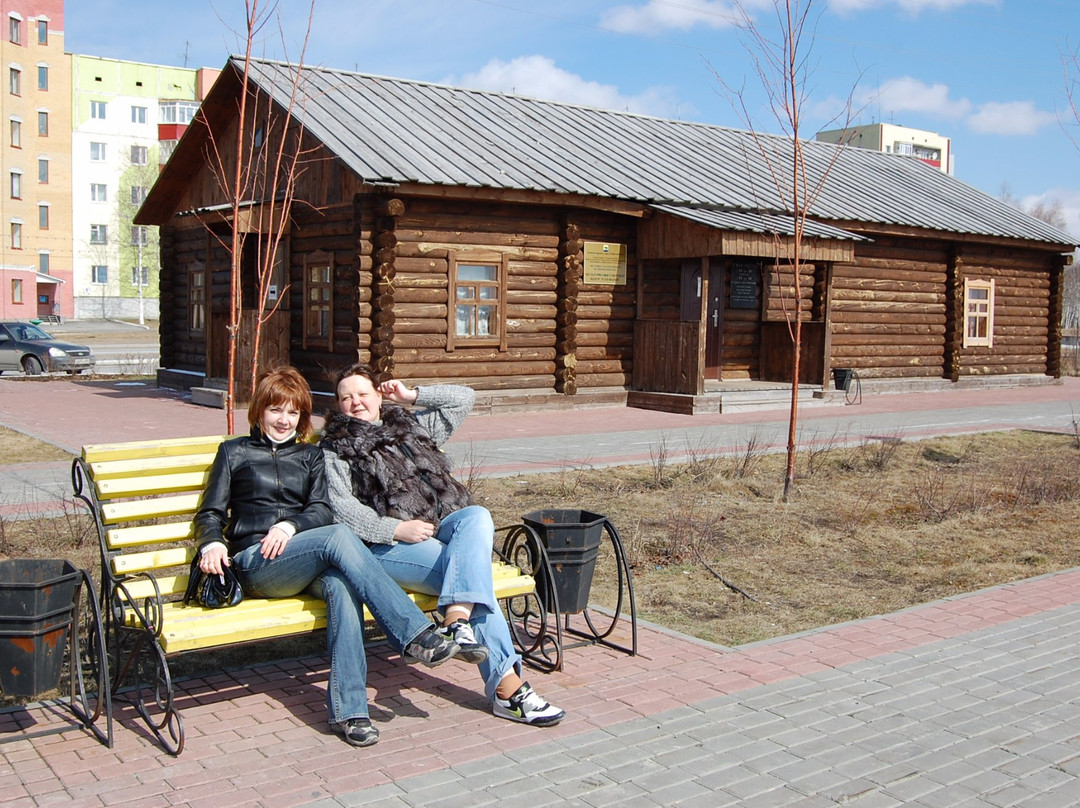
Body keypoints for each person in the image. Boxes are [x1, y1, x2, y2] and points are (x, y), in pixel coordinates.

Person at [193, 366, 463, 748]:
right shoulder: (234, 452)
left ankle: (349, 712)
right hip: (258, 562)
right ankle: (415, 634)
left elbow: (320, 510)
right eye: (275, 411)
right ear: (259, 412)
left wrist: (289, 526)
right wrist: (212, 543)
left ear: (302, 417)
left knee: (341, 585)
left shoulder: (311, 456)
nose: (283, 420)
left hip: (306, 560)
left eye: (292, 413)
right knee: (338, 535)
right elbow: (210, 513)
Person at [320, 363, 566, 727]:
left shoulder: (410, 426)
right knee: (471, 580)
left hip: (440, 529)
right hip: (385, 547)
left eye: (362, 393)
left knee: (477, 515)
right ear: (339, 406)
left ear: (378, 394)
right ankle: (509, 690)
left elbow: (464, 399)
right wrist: (394, 529)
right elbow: (341, 510)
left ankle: (456, 620)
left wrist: (411, 396)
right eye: (346, 398)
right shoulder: (336, 449)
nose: (356, 402)